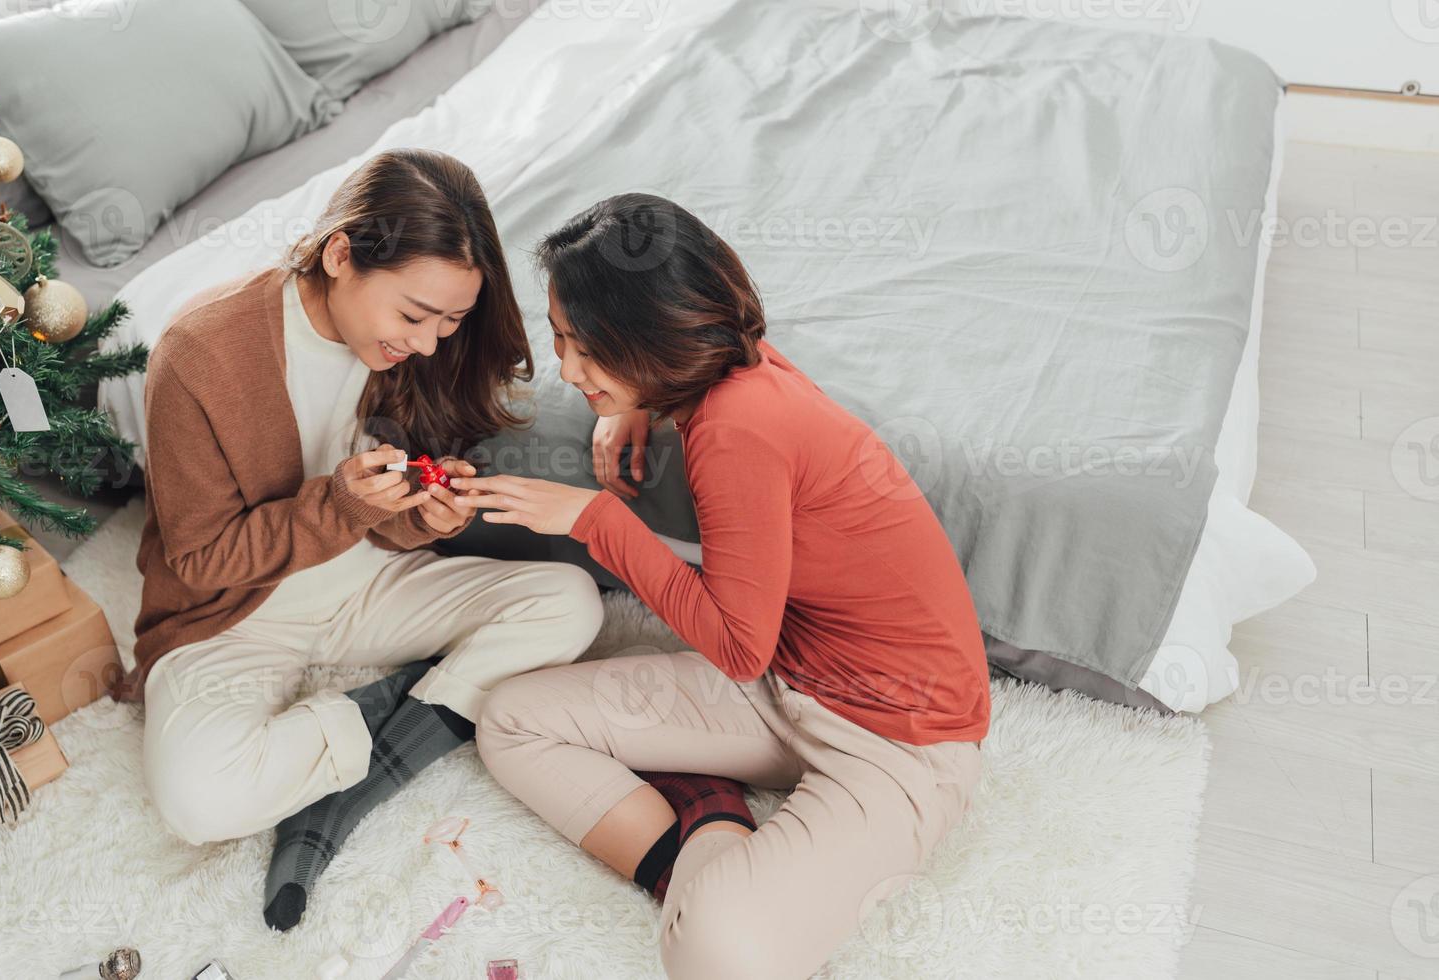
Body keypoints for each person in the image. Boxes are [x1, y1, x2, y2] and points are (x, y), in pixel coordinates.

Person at [461, 193, 991, 978]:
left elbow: (738, 649)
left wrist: (595, 521)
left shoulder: (741, 427)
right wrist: (631, 406)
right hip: (788, 680)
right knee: (508, 720)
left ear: (649, 341)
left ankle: (706, 816)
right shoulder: (734, 363)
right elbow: (757, 657)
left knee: (717, 958)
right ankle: (711, 813)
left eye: (581, 348)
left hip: (898, 739)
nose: (566, 372)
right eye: (560, 340)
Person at [113, 149, 604, 930]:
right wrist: (341, 508)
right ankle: (402, 706)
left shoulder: (407, 354)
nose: (432, 344)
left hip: (366, 581)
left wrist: (421, 514)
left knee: (571, 602)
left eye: (450, 322)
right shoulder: (202, 354)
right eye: (415, 316)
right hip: (233, 614)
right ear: (340, 254)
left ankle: (361, 755)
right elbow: (200, 558)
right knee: (197, 802)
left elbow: (391, 505)